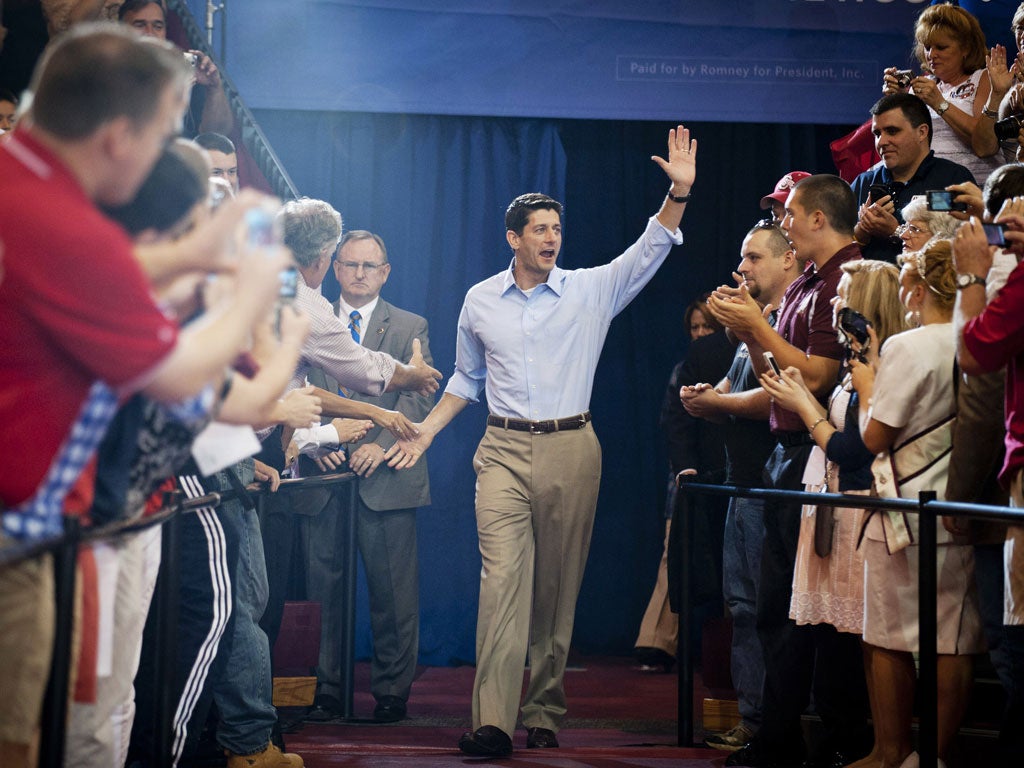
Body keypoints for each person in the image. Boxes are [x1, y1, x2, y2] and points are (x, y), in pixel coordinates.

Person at [0, 24, 285, 768]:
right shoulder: (65, 226)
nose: (170, 145)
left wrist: (191, 256)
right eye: (165, 130)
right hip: (20, 532)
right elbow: (181, 375)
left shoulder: (22, 183)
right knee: (30, 740)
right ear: (121, 136)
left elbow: (110, 274)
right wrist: (251, 296)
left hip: (51, 523)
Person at [385, 125, 697, 757]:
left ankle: (545, 708)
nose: (552, 239)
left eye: (557, 230)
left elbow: (649, 248)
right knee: (501, 584)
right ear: (514, 239)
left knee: (556, 590)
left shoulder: (589, 290)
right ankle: (492, 721)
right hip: (500, 451)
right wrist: (424, 433)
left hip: (571, 449)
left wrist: (678, 195)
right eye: (540, 230)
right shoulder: (480, 300)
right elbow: (467, 381)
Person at [707, 175, 869, 768]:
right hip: (785, 451)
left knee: (811, 607)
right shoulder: (805, 279)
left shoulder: (848, 280)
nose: (785, 225)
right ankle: (779, 732)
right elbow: (776, 365)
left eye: (792, 216)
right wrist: (750, 333)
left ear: (819, 220)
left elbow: (820, 377)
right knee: (780, 603)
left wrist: (756, 327)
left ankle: (830, 733)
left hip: (817, 453)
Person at [759, 259, 907, 768]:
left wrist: (804, 404)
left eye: (844, 293)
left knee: (853, 641)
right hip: (832, 507)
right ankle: (844, 741)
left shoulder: (881, 363)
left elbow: (855, 450)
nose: (836, 302)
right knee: (831, 636)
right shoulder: (855, 362)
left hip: (859, 510)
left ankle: (865, 743)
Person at [853, 238, 984, 768]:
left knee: (887, 634)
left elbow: (874, 437)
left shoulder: (906, 347)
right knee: (953, 636)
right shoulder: (975, 339)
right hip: (961, 504)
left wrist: (866, 386)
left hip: (902, 508)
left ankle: (890, 752)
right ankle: (933, 755)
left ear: (916, 286)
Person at [299, 230, 433, 723]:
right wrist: (320, 443)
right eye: (349, 264)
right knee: (324, 591)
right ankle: (328, 688)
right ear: (334, 268)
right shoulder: (309, 316)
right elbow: (295, 384)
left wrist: (379, 447)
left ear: (385, 272)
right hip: (323, 473)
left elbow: (421, 394)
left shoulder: (410, 324)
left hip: (387, 475)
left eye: (368, 266)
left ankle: (393, 690)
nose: (358, 274)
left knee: (393, 593)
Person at [681, 219, 801, 753]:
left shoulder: (784, 322)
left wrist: (718, 404)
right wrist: (709, 396)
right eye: (742, 258)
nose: (743, 268)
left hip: (770, 489)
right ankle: (754, 720)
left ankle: (776, 725)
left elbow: (775, 397)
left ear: (787, 261)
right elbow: (739, 386)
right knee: (743, 608)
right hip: (741, 486)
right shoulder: (758, 321)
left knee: (769, 612)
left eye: (753, 258)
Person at [951, 174, 1024, 763]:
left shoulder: (1013, 280)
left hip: (1012, 484)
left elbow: (975, 364)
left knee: (1014, 640)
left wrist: (972, 275)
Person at [635, 294, 731, 674]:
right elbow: (673, 424)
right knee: (673, 558)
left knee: (731, 564)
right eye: (695, 327)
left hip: (727, 475)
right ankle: (657, 642)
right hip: (687, 481)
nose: (701, 333)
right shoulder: (683, 368)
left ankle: (727, 656)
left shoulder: (737, 360)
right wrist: (686, 470)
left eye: (708, 326)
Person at [883, 2, 1001, 185]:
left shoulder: (983, 79)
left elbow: (984, 143)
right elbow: (903, 141)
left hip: (972, 185)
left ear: (966, 48)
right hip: (922, 186)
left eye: (941, 47)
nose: (931, 54)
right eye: (928, 47)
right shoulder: (920, 85)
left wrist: (939, 103)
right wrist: (898, 99)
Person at [851, 92, 975, 264]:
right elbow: (836, 251)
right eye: (877, 134)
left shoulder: (951, 181)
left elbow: (962, 246)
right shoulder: (863, 183)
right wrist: (862, 232)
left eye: (892, 131)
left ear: (922, 132)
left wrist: (896, 231)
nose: (881, 142)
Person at [118, 0, 234, 136]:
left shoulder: (184, 70)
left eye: (158, 26)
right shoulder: (104, 73)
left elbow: (217, 136)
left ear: (165, 32)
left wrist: (214, 88)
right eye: (139, 25)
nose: (149, 33)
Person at [969, 4, 1024, 166]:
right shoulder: (1009, 83)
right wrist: (998, 94)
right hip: (1013, 184)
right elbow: (983, 149)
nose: (1023, 36)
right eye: (1020, 28)